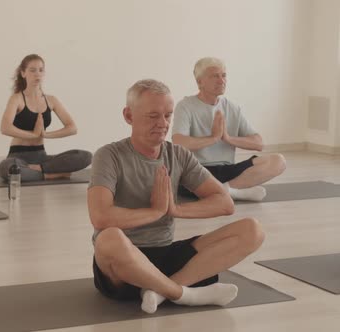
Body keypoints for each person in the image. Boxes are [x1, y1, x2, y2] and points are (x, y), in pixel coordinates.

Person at [88, 79, 264, 313]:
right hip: (122, 267)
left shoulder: (178, 155)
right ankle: (184, 294)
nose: (163, 124)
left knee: (252, 229)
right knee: (108, 238)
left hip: (166, 254)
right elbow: (100, 217)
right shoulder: (109, 155)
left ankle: (160, 291)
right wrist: (154, 212)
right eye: (153, 116)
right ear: (129, 116)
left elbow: (224, 203)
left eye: (168, 115)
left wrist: (175, 210)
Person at [172, 57, 286, 201]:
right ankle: (233, 191)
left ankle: (226, 190)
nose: (221, 80)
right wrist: (213, 138)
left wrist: (227, 138)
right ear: (199, 82)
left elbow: (258, 143)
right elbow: (179, 143)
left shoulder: (232, 108)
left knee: (278, 161)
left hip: (227, 170)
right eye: (214, 76)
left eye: (223, 75)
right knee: (184, 178)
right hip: (197, 170)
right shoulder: (185, 106)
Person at [0, 54, 91, 181]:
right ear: (23, 73)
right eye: (32, 70)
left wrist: (45, 134)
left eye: (41, 70)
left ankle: (39, 169)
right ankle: (49, 174)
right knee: (6, 168)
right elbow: (5, 128)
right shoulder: (17, 99)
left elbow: (72, 128)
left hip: (42, 157)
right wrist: (34, 134)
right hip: (18, 156)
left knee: (85, 156)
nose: (38, 74)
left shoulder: (51, 100)